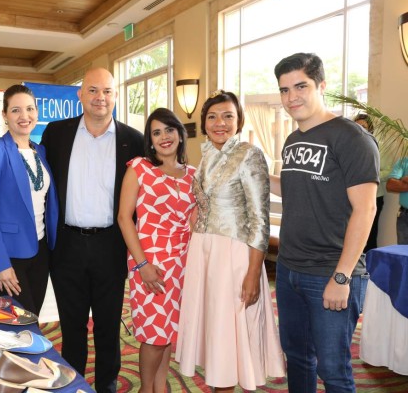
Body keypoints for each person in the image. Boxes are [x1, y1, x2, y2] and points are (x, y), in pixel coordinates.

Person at [271, 53, 379, 392]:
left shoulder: (351, 137)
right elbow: (292, 190)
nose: (292, 97)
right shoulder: (293, 140)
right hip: (289, 271)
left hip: (331, 272)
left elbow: (365, 211)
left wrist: (342, 276)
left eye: (301, 86)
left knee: (333, 369)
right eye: (285, 90)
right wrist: (254, 173)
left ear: (322, 86)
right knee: (298, 358)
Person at [40, 67, 144, 393]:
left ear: (115, 96)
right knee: (71, 327)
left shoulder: (134, 140)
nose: (101, 98)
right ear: (80, 95)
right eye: (94, 90)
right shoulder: (56, 134)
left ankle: (107, 385)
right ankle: (73, 384)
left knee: (108, 326)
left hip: (110, 247)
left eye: (108, 91)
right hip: (67, 245)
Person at [175, 90, 285, 392]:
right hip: (204, 252)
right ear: (204, 122)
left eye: (227, 116)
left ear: (239, 121)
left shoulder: (249, 154)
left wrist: (252, 273)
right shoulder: (207, 154)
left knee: (229, 335)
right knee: (214, 335)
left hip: (234, 256)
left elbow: (259, 220)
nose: (219, 123)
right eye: (212, 117)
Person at [117, 108, 195, 393]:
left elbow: (196, 222)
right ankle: (146, 389)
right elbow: (124, 218)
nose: (164, 137)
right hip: (149, 263)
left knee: (168, 334)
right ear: (149, 140)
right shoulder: (139, 168)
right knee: (153, 334)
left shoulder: (193, 175)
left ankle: (160, 387)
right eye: (156, 132)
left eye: (169, 130)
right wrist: (142, 265)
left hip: (183, 264)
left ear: (180, 134)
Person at [0, 84, 58, 316]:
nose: (24, 116)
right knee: (16, 327)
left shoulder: (40, 151)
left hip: (40, 251)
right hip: (7, 255)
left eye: (30, 109)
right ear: (4, 115)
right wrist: (0, 264)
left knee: (31, 319)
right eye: (16, 110)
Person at [354, 113, 389, 251]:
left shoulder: (380, 147)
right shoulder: (348, 146)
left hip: (374, 197)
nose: (360, 129)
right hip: (351, 198)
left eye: (364, 126)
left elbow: (388, 171)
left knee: (369, 235)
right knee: (352, 235)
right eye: (356, 126)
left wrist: (369, 176)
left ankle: (368, 270)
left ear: (371, 129)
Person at [386, 157, 408, 244]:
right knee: (402, 253)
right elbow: (390, 185)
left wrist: (404, 180)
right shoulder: (403, 161)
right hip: (405, 217)